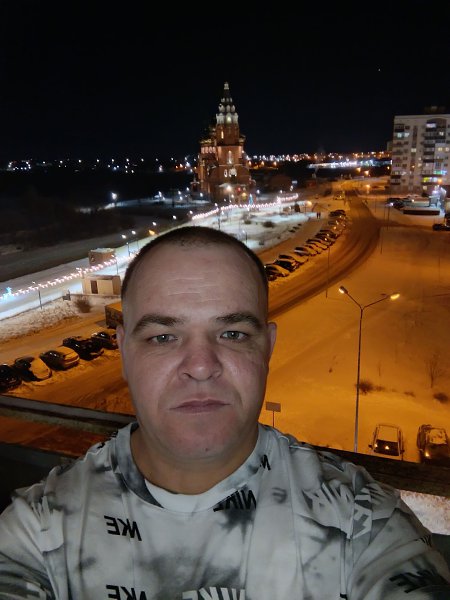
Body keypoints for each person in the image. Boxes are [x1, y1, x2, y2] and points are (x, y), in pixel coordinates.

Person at [0, 225, 449, 599]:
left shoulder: (361, 522)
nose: (200, 366)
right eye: (163, 337)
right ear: (124, 352)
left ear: (267, 348)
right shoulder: (41, 527)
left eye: (232, 334)